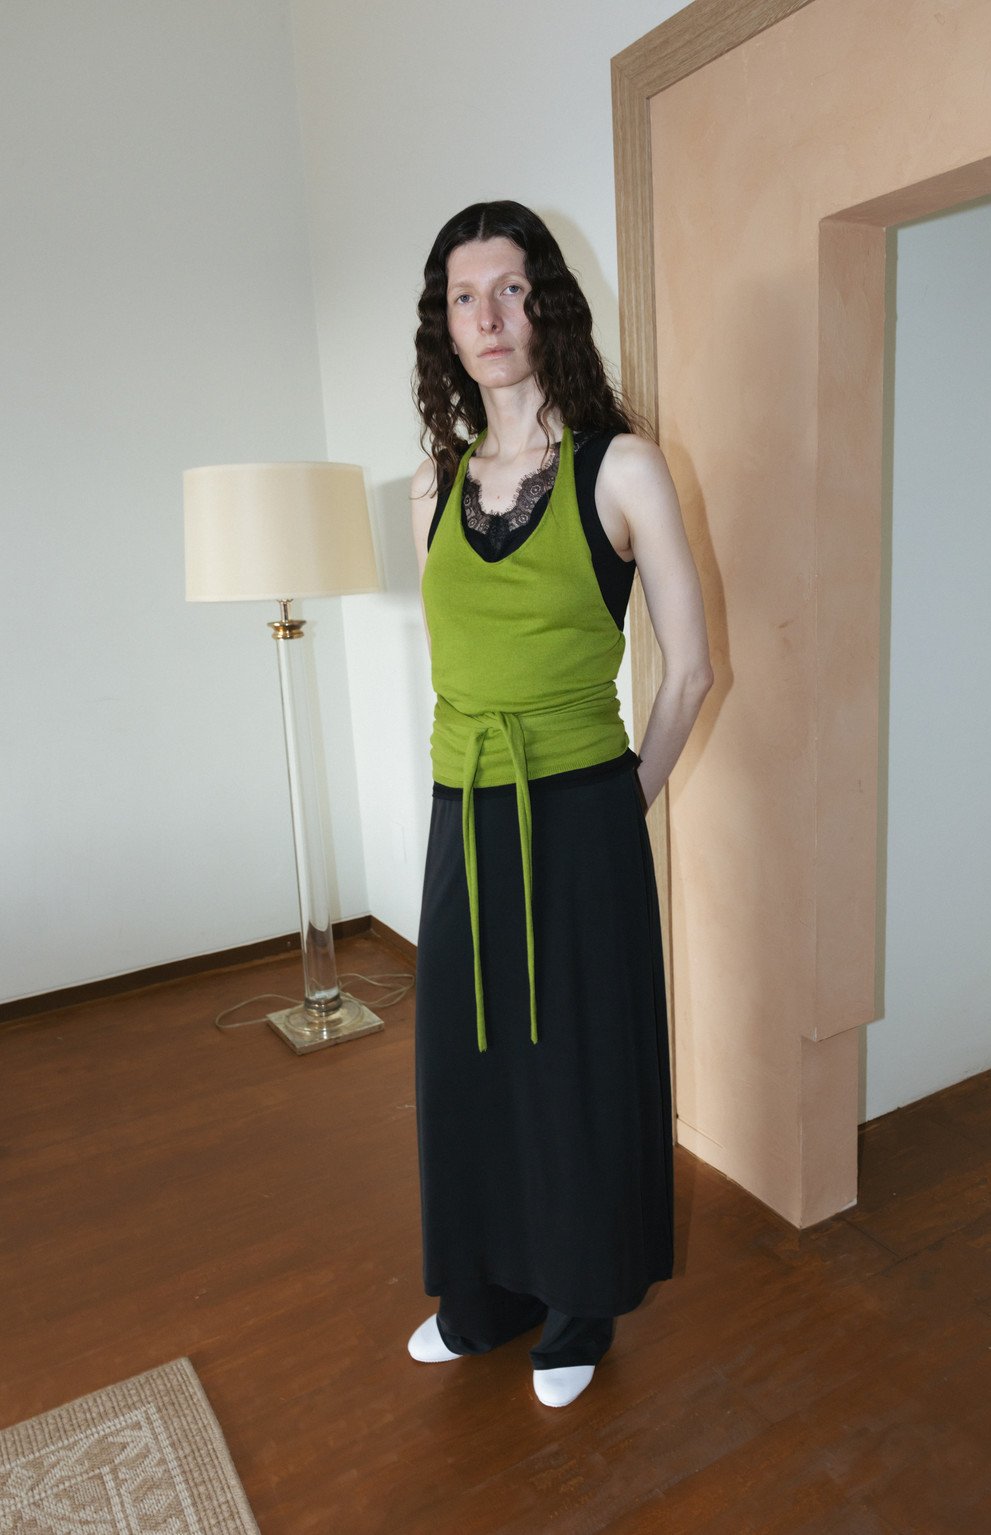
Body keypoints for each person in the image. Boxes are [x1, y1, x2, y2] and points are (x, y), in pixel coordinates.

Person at [408, 201, 712, 1409]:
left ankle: (579, 1304)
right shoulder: (433, 482)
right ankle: (484, 1294)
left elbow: (689, 669)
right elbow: (457, 657)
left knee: (574, 1066)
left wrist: (624, 798)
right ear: (443, 325)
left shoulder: (619, 465)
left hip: (581, 809)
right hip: (461, 807)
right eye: (463, 297)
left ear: (550, 304)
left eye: (511, 289)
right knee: (469, 1062)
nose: (488, 317)